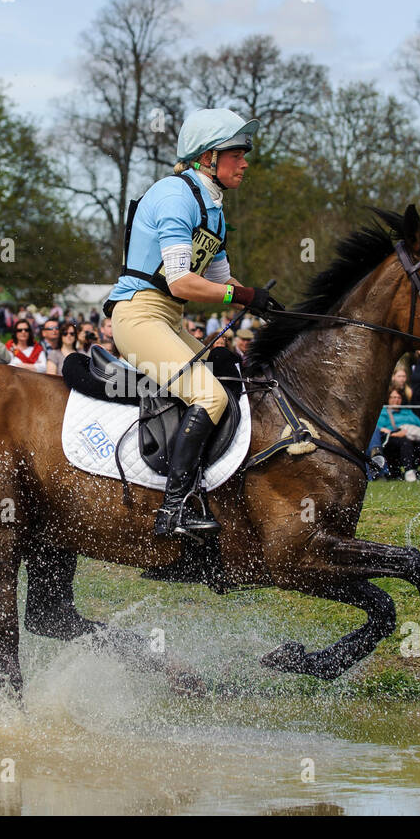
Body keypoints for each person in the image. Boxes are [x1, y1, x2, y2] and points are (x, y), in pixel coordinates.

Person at [105, 108, 279, 538]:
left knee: (225, 378)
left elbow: (220, 281)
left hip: (166, 318)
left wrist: (268, 305)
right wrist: (243, 296)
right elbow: (183, 283)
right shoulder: (175, 196)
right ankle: (173, 511)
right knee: (210, 396)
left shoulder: (213, 210)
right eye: (237, 153)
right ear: (207, 158)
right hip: (139, 316)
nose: (245, 162)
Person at [378, 388, 420, 481]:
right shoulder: (383, 412)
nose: (396, 400)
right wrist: (394, 433)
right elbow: (379, 428)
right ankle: (409, 471)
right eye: (393, 397)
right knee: (405, 442)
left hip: (411, 437)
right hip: (392, 439)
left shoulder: (407, 412)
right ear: (388, 399)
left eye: (398, 397)